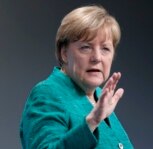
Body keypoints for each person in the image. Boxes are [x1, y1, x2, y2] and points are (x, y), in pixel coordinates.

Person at [20, 5, 134, 149]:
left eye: (105, 48)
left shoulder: (99, 95)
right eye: (85, 47)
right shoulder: (47, 94)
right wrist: (92, 121)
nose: (97, 58)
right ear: (64, 53)